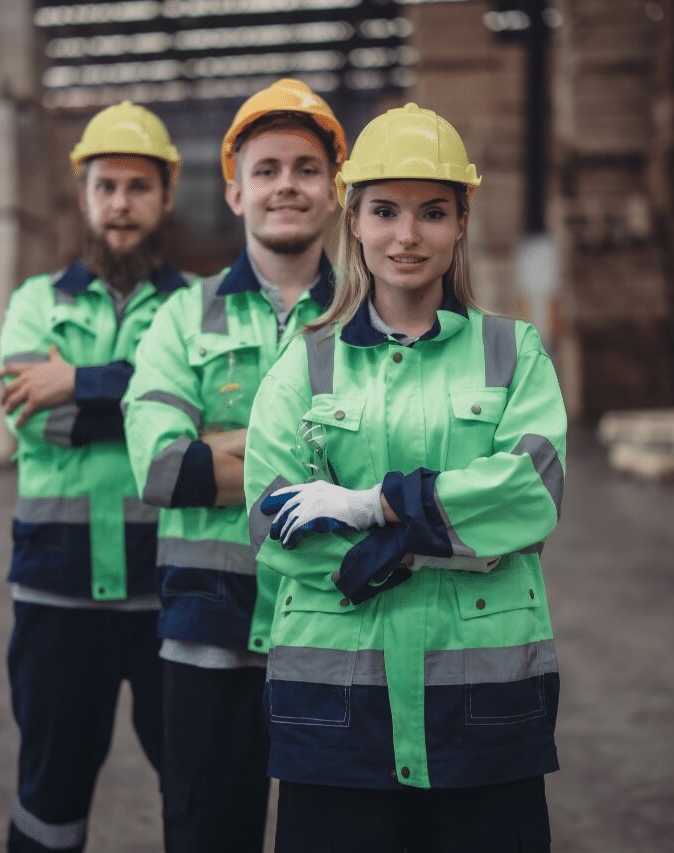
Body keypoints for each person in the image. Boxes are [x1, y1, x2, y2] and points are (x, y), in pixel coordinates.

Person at [243, 102, 568, 853]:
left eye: (433, 212)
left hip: (484, 713)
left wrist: (368, 505)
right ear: (352, 220)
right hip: (337, 714)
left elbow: (531, 494)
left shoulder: (512, 352)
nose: (407, 235)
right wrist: (455, 538)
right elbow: (273, 523)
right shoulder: (308, 361)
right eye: (385, 210)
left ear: (461, 224)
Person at [121, 79, 347, 853]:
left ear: (335, 189)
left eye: (307, 167)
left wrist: (225, 446)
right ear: (236, 190)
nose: (287, 183)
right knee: (205, 835)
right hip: (207, 630)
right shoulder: (183, 315)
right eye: (268, 167)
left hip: (338, 631)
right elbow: (160, 469)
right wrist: (317, 470)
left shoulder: (371, 316)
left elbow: (392, 467)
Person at [0, 102, 191, 852]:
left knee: (195, 783)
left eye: (138, 186)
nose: (120, 204)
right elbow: (32, 416)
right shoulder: (34, 302)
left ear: (167, 195)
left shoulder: (195, 308)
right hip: (57, 593)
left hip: (168, 593)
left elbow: (200, 423)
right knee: (49, 789)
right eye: (106, 185)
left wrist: (76, 380)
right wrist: (147, 401)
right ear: (83, 195)